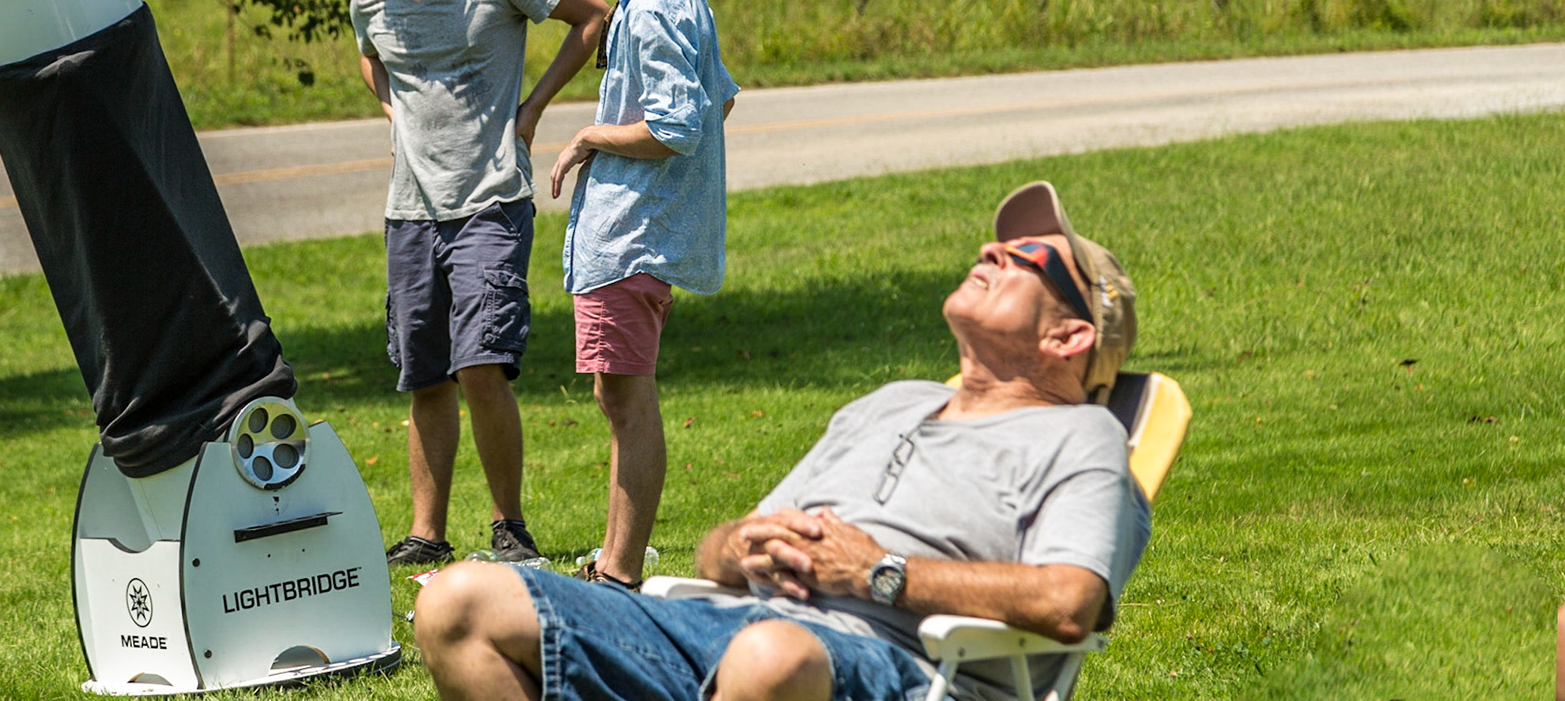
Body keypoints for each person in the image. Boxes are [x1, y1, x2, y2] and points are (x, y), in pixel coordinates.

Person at [415, 181, 1148, 701]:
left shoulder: (1081, 437)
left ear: (1070, 334)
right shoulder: (890, 403)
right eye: (997, 244)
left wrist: (878, 573)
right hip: (726, 625)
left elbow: (1069, 601)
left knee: (770, 659)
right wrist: (741, 546)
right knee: (460, 601)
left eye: (1026, 260)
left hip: (903, 664)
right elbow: (716, 553)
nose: (990, 250)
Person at [349, 0, 610, 567]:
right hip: (410, 213)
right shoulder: (369, 0)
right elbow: (372, 62)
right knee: (426, 375)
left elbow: (593, 15)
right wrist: (395, 118)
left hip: (491, 200)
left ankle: (510, 528)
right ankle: (427, 535)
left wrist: (532, 110)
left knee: (481, 364)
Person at [536, 0, 740, 589]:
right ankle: (613, 562)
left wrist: (592, 137)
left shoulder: (653, 5)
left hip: (630, 239)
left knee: (624, 398)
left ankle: (619, 573)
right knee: (620, 395)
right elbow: (720, 102)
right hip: (649, 233)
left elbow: (678, 124)